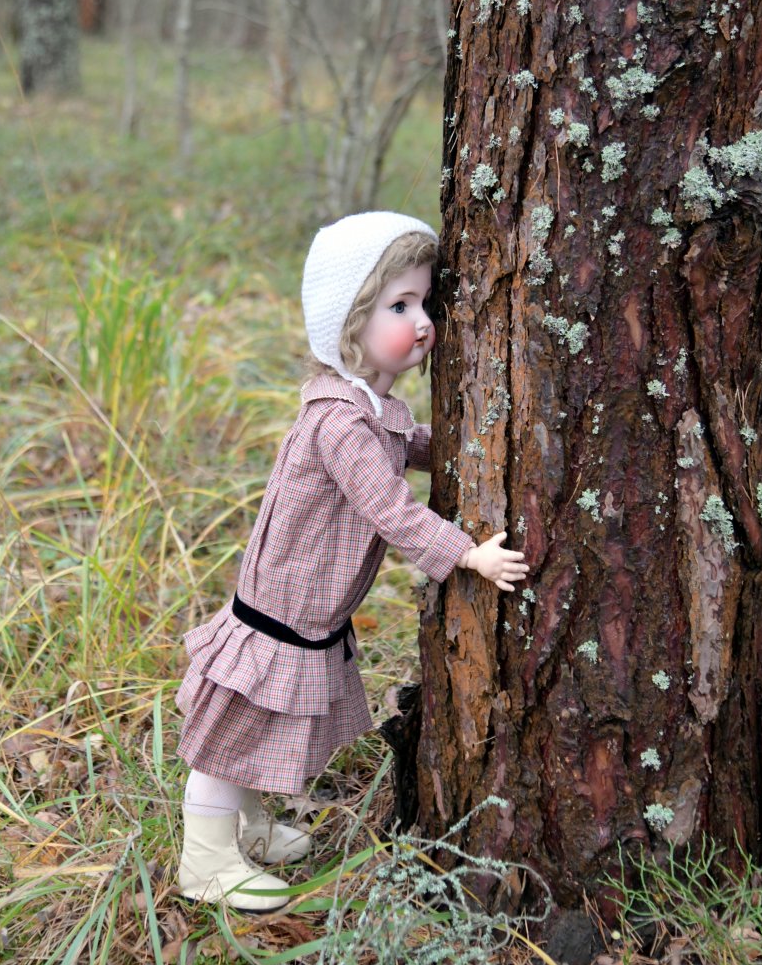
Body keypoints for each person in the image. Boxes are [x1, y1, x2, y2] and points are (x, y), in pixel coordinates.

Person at [174, 211, 529, 911]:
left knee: (258, 725)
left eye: (424, 302)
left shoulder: (369, 408)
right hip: (280, 614)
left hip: (309, 611)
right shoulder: (340, 421)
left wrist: (454, 444)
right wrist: (468, 556)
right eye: (399, 305)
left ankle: (245, 825)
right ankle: (204, 858)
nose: (423, 321)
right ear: (349, 321)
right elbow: (389, 510)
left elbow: (403, 440)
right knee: (233, 734)